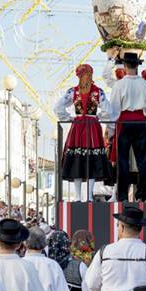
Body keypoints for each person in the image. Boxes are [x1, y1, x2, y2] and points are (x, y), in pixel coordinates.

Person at [54, 64, 114, 202]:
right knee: (93, 158)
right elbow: (108, 110)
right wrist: (98, 117)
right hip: (92, 127)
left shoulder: (73, 91)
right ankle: (89, 195)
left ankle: (77, 195)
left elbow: (58, 107)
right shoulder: (98, 92)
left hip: (79, 126)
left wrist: (68, 118)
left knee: (77, 157)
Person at [107, 53, 146, 202]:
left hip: (124, 122)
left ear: (125, 66)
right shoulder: (145, 85)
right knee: (142, 160)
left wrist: (110, 131)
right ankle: (142, 195)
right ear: (137, 65)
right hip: (140, 122)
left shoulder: (119, 85)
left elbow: (114, 110)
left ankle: (122, 195)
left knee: (123, 161)